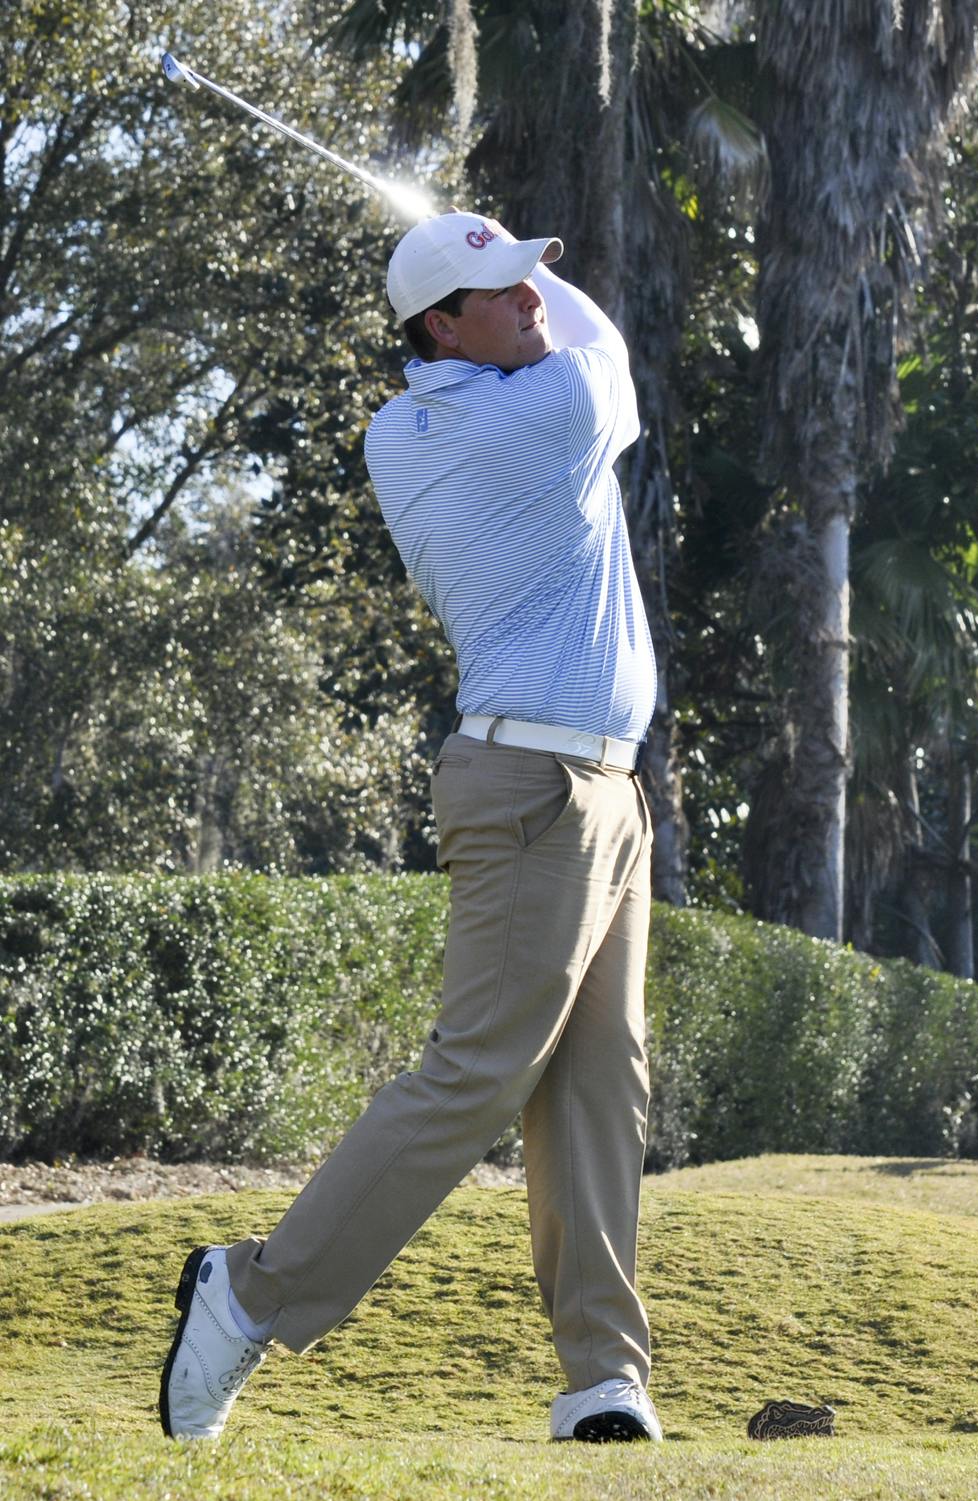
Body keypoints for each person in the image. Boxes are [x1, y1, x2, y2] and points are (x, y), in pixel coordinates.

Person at [159, 210, 661, 1445]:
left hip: (604, 789)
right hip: (534, 788)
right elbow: (609, 351)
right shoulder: (534, 412)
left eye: (534, 280)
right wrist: (511, 251)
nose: (534, 298)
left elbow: (556, 329)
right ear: (440, 326)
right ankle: (249, 1293)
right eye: (504, 290)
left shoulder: (427, 419)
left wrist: (495, 256)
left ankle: (602, 1376)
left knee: (598, 1085)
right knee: (477, 1071)